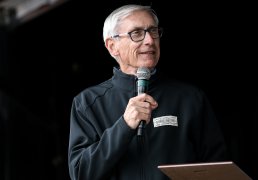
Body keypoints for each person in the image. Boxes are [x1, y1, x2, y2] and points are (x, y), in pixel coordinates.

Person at [68, 4, 227, 180]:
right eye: (136, 33)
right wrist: (124, 126)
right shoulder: (88, 103)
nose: (150, 40)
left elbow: (217, 168)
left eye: (153, 31)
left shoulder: (190, 97)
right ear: (112, 46)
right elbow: (81, 173)